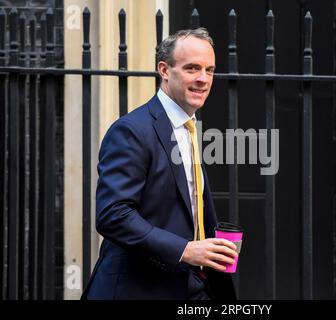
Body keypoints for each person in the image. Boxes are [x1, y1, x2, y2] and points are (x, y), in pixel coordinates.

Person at [81, 28, 238, 300]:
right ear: (164, 70)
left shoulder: (188, 128)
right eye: (192, 68)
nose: (203, 79)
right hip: (140, 288)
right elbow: (113, 214)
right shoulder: (131, 130)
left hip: (191, 284)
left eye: (209, 70)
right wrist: (184, 250)